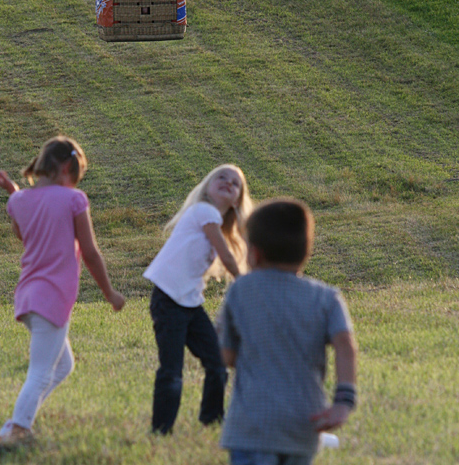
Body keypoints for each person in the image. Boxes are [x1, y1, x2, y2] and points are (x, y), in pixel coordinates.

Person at [0, 136, 125, 445]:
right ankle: (17, 430)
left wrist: (14, 191)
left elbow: (29, 231)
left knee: (63, 365)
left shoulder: (18, 201)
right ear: (67, 168)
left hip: (28, 296)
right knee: (40, 371)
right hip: (53, 296)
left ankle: (17, 422)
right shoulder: (74, 199)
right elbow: (90, 253)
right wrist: (110, 293)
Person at [219, 199, 357, 465]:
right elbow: (345, 345)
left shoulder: (241, 290)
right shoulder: (327, 297)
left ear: (254, 253)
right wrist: (343, 401)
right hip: (304, 427)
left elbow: (226, 355)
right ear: (306, 251)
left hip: (251, 428)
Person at [143, 164, 253, 435]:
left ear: (239, 198)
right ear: (207, 186)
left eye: (235, 183)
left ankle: (212, 420)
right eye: (221, 177)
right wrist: (248, 283)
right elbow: (227, 256)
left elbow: (230, 252)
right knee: (172, 370)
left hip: (189, 303)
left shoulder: (215, 220)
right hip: (168, 300)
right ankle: (160, 430)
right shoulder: (203, 211)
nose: (228, 182)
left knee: (217, 363)